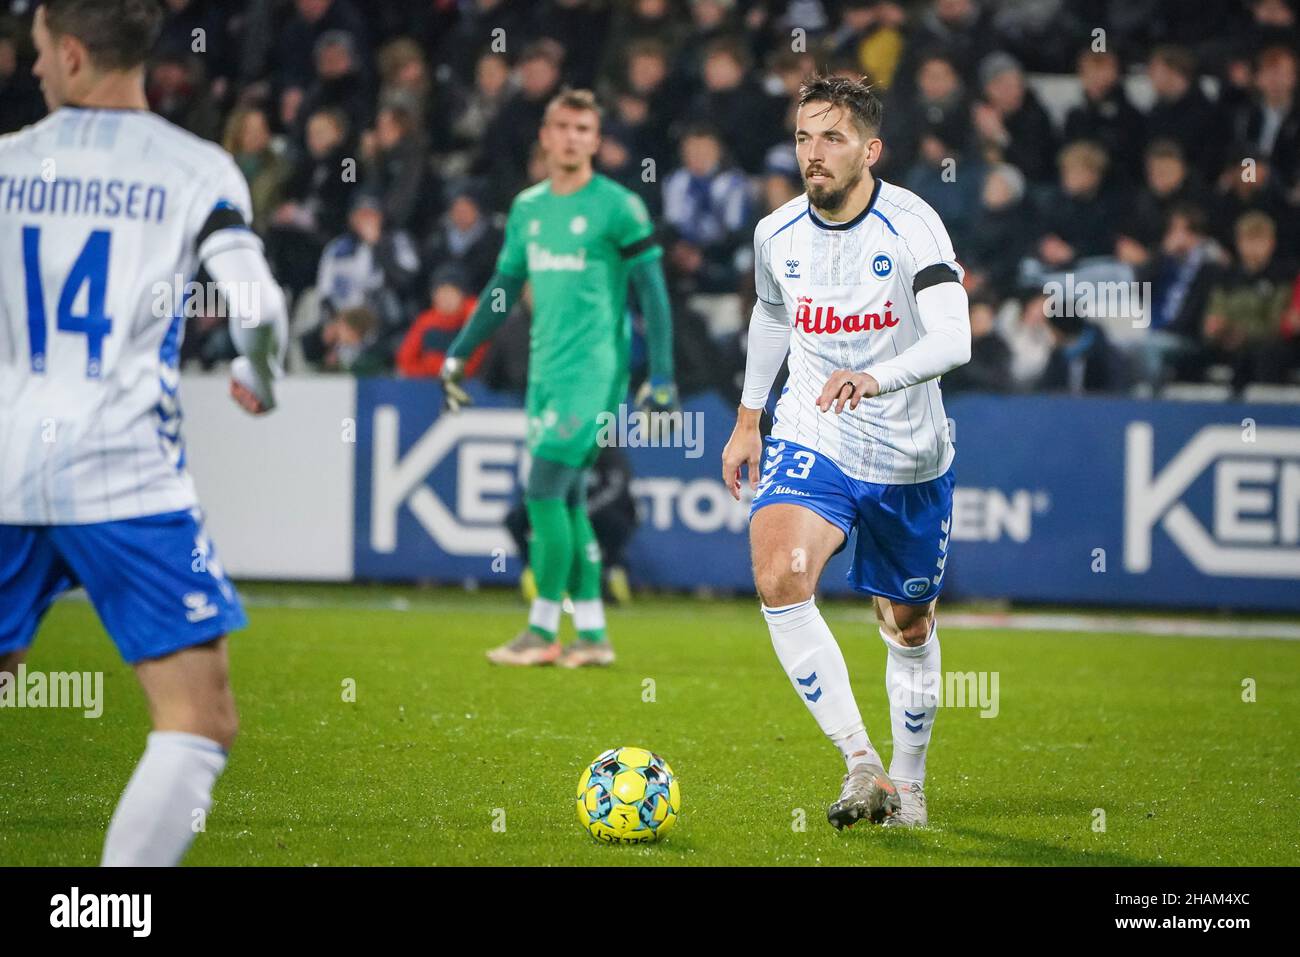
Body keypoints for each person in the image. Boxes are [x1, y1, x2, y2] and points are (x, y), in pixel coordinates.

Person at [0, 0, 287, 866]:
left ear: (77, 54)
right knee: (197, 718)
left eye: (41, 52)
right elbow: (261, 304)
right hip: (125, 470)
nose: (36, 69)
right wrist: (256, 374)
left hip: (7, 462)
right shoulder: (199, 169)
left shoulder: (6, 163)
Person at [721, 74, 971, 830]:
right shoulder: (776, 233)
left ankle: (910, 779)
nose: (814, 154)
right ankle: (862, 761)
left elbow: (955, 340)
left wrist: (874, 376)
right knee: (780, 571)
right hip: (812, 430)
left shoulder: (914, 226)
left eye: (832, 137)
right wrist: (748, 417)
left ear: (871, 148)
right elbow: (771, 319)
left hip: (908, 455)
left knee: (909, 624)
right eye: (804, 137)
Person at [441, 88, 678, 668]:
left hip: (596, 374)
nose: (572, 138)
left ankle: (542, 629)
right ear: (545, 137)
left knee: (542, 490)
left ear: (596, 141)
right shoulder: (527, 209)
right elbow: (500, 292)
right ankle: (593, 636)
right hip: (545, 373)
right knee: (569, 500)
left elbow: (653, 291)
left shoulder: (619, 207)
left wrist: (663, 375)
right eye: (563, 127)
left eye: (584, 129)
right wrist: (458, 354)